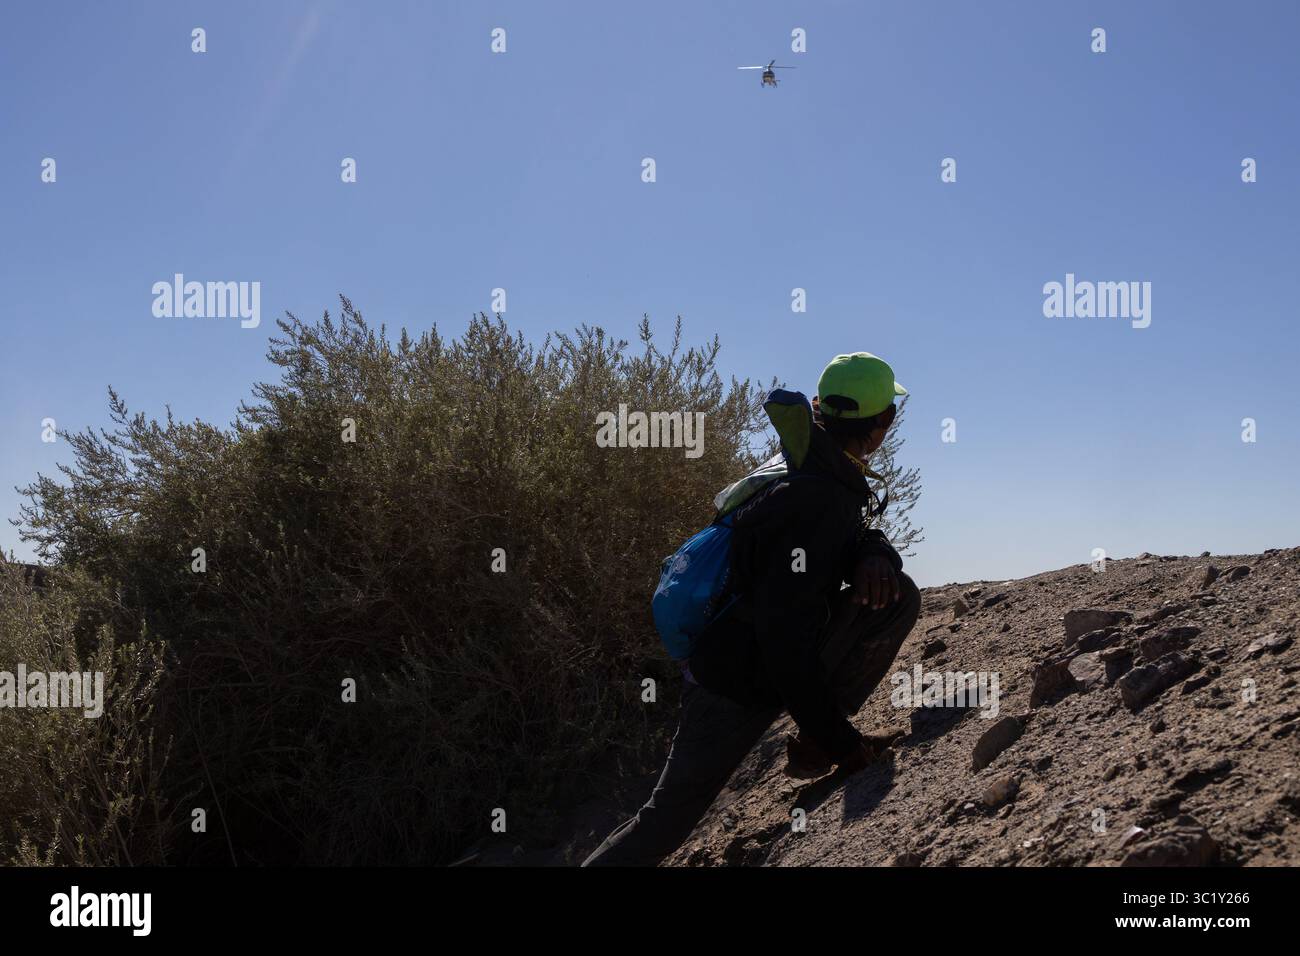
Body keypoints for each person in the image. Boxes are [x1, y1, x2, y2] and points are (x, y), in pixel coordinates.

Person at [582, 352, 922, 867]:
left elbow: (829, 545)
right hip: (732, 682)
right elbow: (783, 638)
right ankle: (823, 740)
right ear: (883, 425)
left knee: (894, 594)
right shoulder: (818, 493)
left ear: (819, 409)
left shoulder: (809, 467)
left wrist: (874, 551)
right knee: (667, 817)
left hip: (741, 660)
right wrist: (845, 746)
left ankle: (814, 742)